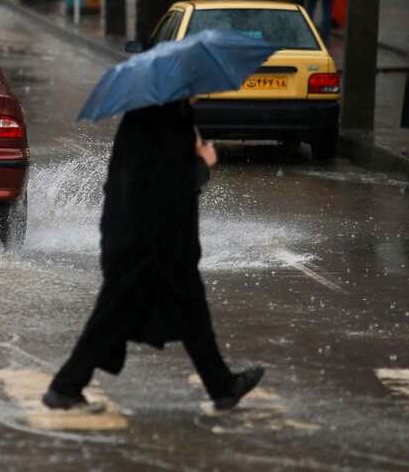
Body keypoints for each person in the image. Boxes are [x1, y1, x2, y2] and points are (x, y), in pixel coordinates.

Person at [43, 99, 264, 413]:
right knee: (113, 316)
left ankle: (223, 387)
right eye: (195, 87)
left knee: (192, 313)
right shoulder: (162, 121)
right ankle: (64, 388)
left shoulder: (156, 115)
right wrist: (202, 162)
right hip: (146, 243)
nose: (200, 93)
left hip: (157, 241)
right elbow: (168, 186)